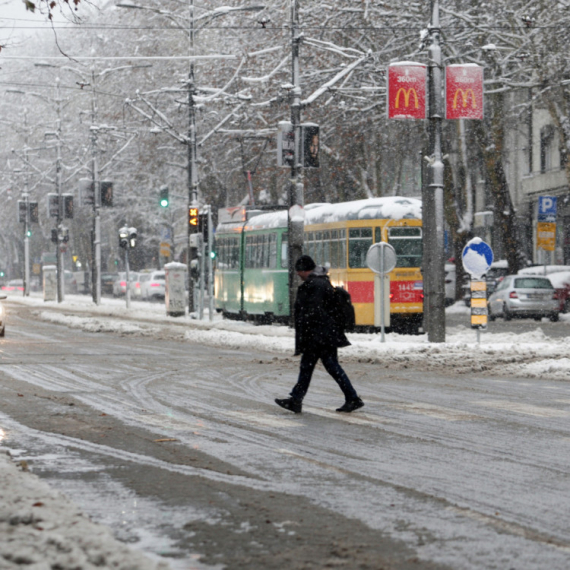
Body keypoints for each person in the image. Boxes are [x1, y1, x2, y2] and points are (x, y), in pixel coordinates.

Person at [275, 255, 364, 414]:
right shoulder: (321, 282)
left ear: (304, 270)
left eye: (299, 271)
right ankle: (296, 399)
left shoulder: (314, 285)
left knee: (325, 367)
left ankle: (352, 398)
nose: (298, 275)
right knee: (314, 367)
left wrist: (310, 332)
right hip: (323, 334)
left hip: (318, 336)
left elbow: (314, 311)